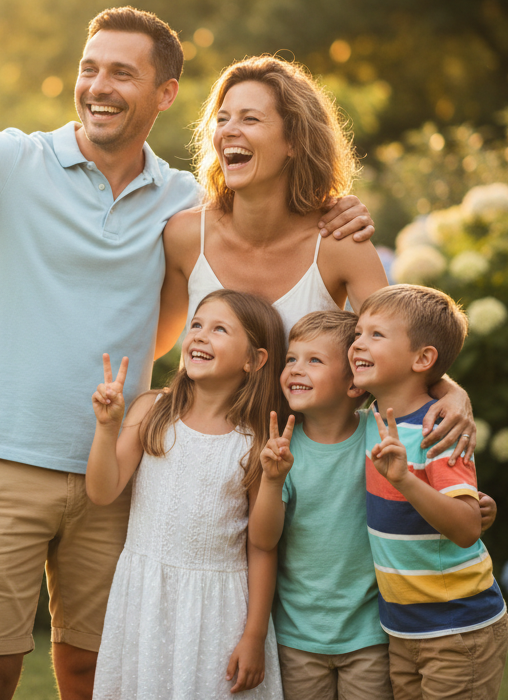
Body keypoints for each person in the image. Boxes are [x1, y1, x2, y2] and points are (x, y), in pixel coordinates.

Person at [0, 6, 371, 700]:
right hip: (3, 457)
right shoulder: (10, 163)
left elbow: (203, 310)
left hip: (122, 473)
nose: (99, 85)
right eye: (89, 69)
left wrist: (339, 209)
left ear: (165, 93)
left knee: (98, 675)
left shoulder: (185, 204)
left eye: (123, 72)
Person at [160, 57, 478, 465]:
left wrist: (451, 391)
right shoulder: (186, 236)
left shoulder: (339, 243)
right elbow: (151, 343)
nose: (229, 131)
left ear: (293, 140)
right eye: (222, 119)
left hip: (307, 474)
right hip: (198, 459)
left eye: (251, 119)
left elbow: (398, 341)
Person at [249, 311, 498, 700]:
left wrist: (454, 394)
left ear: (354, 383)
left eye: (314, 360)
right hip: (298, 634)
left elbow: (412, 402)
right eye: (291, 359)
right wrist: (272, 479)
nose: (296, 369)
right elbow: (263, 538)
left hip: (372, 633)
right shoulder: (282, 447)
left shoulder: (381, 432)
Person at [86, 289, 288, 699]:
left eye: (219, 329)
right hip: (145, 597)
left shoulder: (255, 441)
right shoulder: (151, 410)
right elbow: (102, 491)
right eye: (196, 324)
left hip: (218, 609)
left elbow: (263, 545)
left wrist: (254, 635)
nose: (199, 335)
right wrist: (107, 429)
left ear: (254, 360)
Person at [354, 285, 508, 700]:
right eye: (357, 333)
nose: (357, 345)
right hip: (403, 627)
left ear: (422, 359)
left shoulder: (439, 429)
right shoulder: (369, 417)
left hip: (457, 628)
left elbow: (465, 528)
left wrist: (404, 480)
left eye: (375, 335)